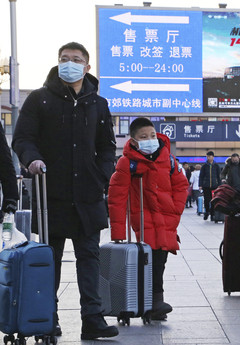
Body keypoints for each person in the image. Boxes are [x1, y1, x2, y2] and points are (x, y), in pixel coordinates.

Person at [12, 42, 118, 339]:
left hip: (88, 194)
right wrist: (32, 159)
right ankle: (48, 315)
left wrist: (102, 174)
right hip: (50, 195)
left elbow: (107, 147)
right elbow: (23, 138)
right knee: (50, 261)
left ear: (87, 66)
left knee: (89, 258)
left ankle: (93, 319)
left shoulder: (98, 104)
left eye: (75, 59)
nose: (68, 63)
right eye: (63, 59)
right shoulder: (39, 99)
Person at [108, 117, 188, 320]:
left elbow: (181, 185)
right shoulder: (128, 163)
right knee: (146, 261)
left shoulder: (168, 159)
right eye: (144, 137)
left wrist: (175, 210)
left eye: (152, 135)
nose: (150, 140)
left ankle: (154, 303)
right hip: (142, 221)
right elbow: (117, 198)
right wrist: (118, 232)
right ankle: (151, 302)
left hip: (165, 220)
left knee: (160, 261)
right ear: (134, 141)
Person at [199, 152, 221, 220]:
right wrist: (200, 185)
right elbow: (201, 176)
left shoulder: (216, 166)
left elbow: (219, 176)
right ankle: (207, 212)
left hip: (215, 186)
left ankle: (212, 214)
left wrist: (219, 185)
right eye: (207, 156)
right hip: (206, 186)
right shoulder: (204, 166)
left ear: (213, 157)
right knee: (207, 200)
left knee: (214, 201)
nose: (208, 158)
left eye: (210, 156)